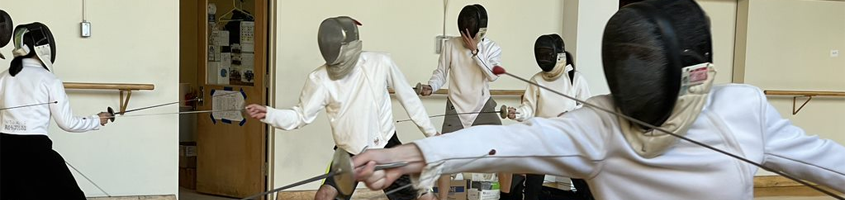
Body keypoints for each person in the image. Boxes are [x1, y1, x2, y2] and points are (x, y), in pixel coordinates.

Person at [349, 0, 845, 199]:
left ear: (695, 74)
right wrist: (412, 154)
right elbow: (513, 140)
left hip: (477, 100)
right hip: (465, 108)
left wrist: (409, 153)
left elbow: (826, 163)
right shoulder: (603, 122)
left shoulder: (742, 109)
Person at [244, 16, 438, 200]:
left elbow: (409, 99)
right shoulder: (319, 79)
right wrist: (269, 113)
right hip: (347, 153)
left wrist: (432, 133)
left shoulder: (379, 63)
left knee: (423, 197)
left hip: (385, 147)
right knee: (325, 195)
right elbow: (300, 116)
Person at [0, 22, 112, 200]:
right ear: (44, 47)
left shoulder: (4, 76)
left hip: (3, 152)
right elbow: (67, 123)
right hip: (36, 153)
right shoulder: (49, 80)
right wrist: (96, 120)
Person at [417, 4, 517, 200]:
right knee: (444, 159)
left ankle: (506, 198)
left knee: (505, 153)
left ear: (481, 31)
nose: (466, 38)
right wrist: (431, 86)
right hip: (456, 107)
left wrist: (475, 52)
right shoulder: (450, 45)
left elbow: (492, 76)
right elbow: (440, 73)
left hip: (482, 107)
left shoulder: (492, 48)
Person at [505, 34, 593, 200]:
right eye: (541, 54)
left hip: (569, 140)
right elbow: (528, 108)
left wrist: (571, 115)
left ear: (559, 55)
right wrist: (516, 113)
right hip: (542, 139)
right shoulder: (536, 80)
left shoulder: (576, 79)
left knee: (586, 189)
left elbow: (587, 108)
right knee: (532, 191)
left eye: (547, 54)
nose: (544, 58)